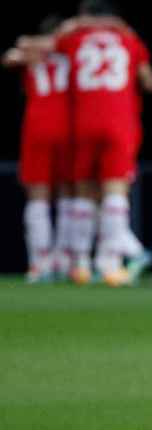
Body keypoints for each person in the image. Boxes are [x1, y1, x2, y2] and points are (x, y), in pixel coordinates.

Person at [21, 0, 152, 286]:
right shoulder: (128, 38)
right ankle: (110, 263)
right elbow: (147, 79)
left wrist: (74, 27)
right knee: (115, 190)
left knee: (82, 190)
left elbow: (31, 48)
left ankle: (79, 263)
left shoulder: (75, 37)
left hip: (83, 119)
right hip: (119, 119)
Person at [3, 15, 72, 283]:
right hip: (67, 126)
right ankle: (66, 259)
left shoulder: (31, 52)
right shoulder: (70, 51)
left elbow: (10, 57)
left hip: (38, 125)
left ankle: (39, 262)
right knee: (68, 194)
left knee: (38, 196)